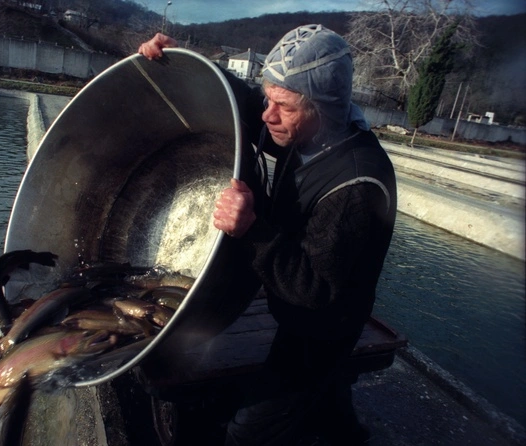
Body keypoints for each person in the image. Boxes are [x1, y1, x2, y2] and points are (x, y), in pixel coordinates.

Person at [139, 25, 397, 445]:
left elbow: (314, 289)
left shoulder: (356, 186)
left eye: (284, 106)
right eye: (269, 99)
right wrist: (182, 63)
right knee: (329, 402)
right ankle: (347, 434)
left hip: (320, 328)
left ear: (322, 108)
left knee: (249, 432)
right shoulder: (313, 131)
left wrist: (251, 230)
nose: (267, 115)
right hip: (296, 307)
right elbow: (246, 101)